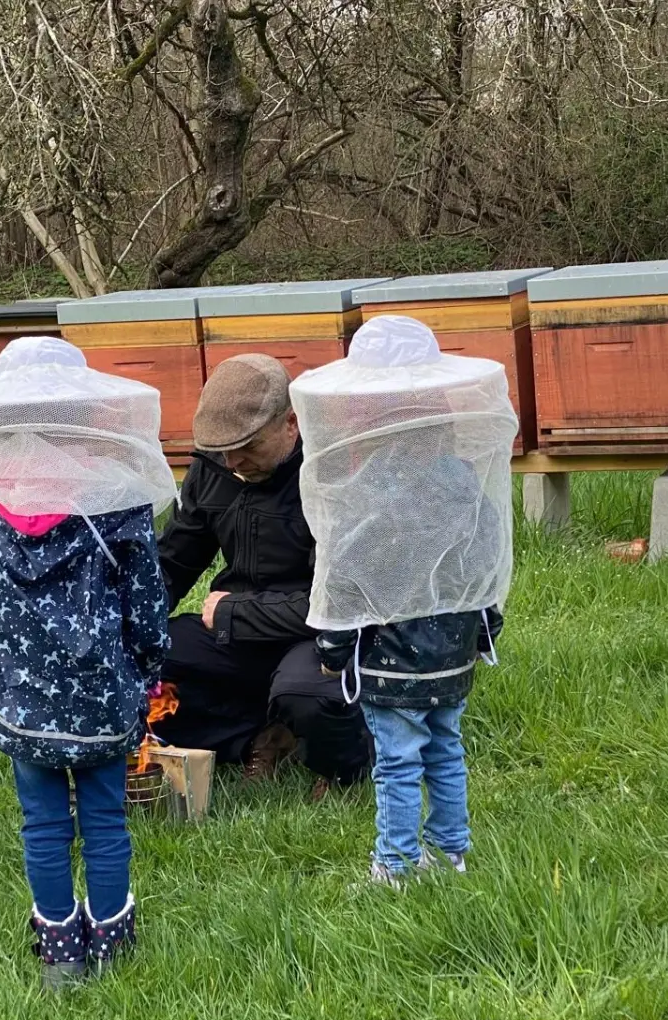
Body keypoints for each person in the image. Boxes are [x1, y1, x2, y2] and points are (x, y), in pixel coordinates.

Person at [0, 337, 175, 990]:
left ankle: (61, 949)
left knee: (41, 820)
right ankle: (112, 940)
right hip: (101, 693)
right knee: (103, 815)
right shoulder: (115, 492)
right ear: (85, 411)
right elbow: (146, 593)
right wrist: (149, 665)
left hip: (17, 692)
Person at [292, 317, 518, 884]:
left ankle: (395, 863)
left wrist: (334, 645)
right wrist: (486, 623)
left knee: (396, 762)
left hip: (389, 659)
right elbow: (482, 556)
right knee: (445, 747)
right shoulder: (461, 479)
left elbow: (344, 572)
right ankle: (452, 852)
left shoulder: (364, 489)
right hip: (454, 650)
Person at [151, 353, 372, 799]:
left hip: (321, 638)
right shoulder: (214, 468)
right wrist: (120, 627)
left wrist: (237, 611)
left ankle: (346, 764)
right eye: (223, 448)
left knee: (309, 697)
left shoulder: (333, 474)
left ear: (290, 424)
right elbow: (173, 563)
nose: (233, 460)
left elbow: (344, 601)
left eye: (248, 446)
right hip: (239, 638)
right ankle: (257, 738)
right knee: (140, 663)